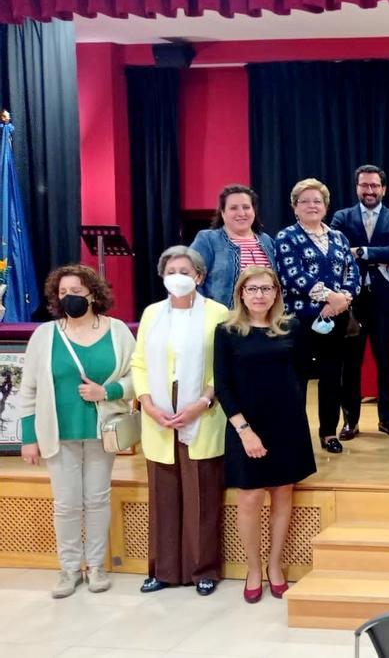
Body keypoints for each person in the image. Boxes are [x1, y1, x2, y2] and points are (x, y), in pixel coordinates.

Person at [17, 265, 135, 598]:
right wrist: (29, 438)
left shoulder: (118, 332)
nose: (70, 298)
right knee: (67, 504)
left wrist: (107, 392)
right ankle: (69, 569)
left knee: (97, 500)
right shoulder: (45, 335)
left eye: (77, 292)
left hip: (103, 432)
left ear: (93, 294)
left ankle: (95, 566)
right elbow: (29, 389)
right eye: (64, 293)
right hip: (58, 433)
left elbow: (138, 378)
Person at [131, 246, 230, 597]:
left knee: (202, 496)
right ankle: (164, 569)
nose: (178, 276)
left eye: (185, 271)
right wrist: (147, 402)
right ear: (162, 276)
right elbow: (139, 362)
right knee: (163, 495)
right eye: (171, 270)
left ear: (199, 277)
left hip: (202, 411)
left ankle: (203, 569)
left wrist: (202, 401)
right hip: (159, 412)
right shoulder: (152, 313)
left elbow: (225, 366)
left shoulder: (218, 313)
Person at [214, 266, 317, 603]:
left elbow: (302, 373)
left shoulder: (291, 327)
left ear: (276, 293)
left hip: (287, 426)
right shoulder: (227, 332)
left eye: (266, 288)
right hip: (246, 427)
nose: (260, 294)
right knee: (250, 497)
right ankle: (254, 567)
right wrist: (244, 431)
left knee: (282, 494)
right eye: (252, 289)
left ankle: (275, 566)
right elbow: (224, 387)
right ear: (241, 293)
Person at [275, 178, 361, 454]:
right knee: (297, 379)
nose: (312, 205)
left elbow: (353, 273)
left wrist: (343, 299)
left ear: (325, 206)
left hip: (335, 320)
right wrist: (329, 296)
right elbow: (291, 275)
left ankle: (328, 433)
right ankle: (296, 435)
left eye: (318, 201)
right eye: (305, 201)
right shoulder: (286, 237)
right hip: (299, 320)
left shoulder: (338, 237)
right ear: (295, 207)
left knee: (332, 378)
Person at [331, 164, 389, 439]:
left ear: (383, 189)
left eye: (375, 185)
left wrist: (361, 251)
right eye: (364, 185)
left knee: (387, 363)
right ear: (357, 188)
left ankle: (387, 419)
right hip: (351, 303)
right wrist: (378, 254)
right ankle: (350, 421)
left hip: (386, 303)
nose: (370, 190)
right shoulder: (341, 217)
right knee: (350, 365)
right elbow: (337, 250)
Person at [190, 184, 276, 307]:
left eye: (246, 207)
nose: (241, 213)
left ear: (254, 211)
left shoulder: (267, 240)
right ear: (223, 213)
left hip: (265, 318)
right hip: (225, 319)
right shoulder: (208, 239)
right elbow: (190, 278)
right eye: (233, 208)